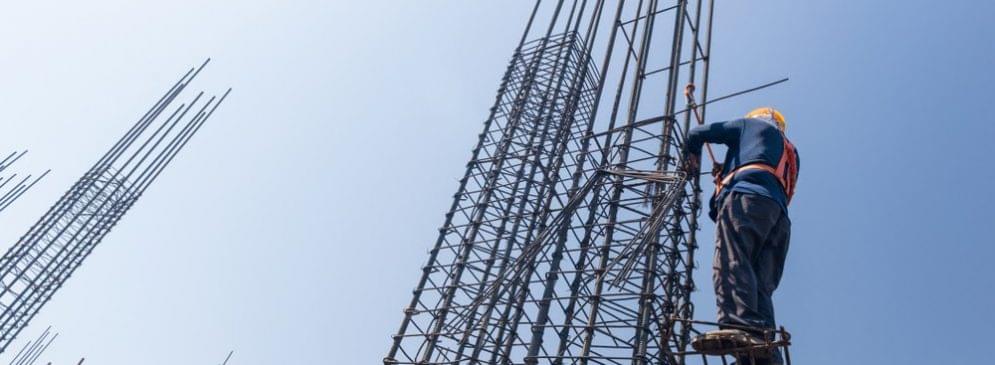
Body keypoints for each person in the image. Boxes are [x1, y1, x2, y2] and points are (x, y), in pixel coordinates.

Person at [684, 107, 799, 365]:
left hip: (747, 199)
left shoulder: (750, 127)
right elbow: (722, 209)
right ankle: (765, 357)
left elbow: (698, 133)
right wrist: (723, 178)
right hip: (777, 218)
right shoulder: (788, 152)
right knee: (760, 288)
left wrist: (692, 154)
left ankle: (740, 327)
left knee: (731, 261)